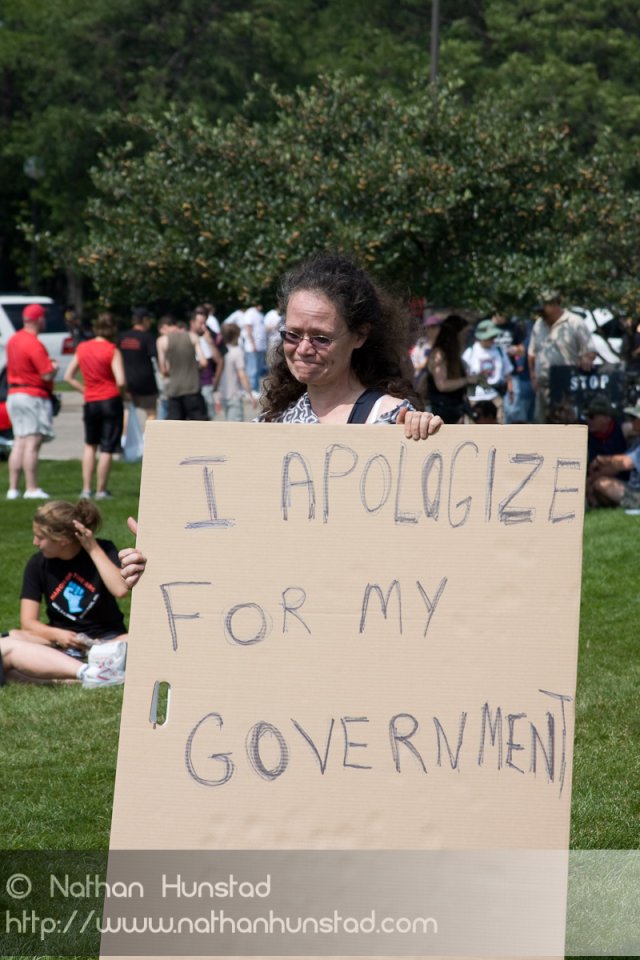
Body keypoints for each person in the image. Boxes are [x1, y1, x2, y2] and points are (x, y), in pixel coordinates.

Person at [259, 253, 442, 436]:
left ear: (360, 336)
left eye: (321, 338)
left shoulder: (391, 418)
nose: (304, 349)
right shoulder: (272, 422)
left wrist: (424, 432)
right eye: (293, 334)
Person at [1, 499, 131, 687]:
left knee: (135, 640)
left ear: (62, 540)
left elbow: (120, 589)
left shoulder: (103, 549)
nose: (35, 542)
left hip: (107, 639)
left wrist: (92, 548)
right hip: (60, 642)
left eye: (40, 537)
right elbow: (28, 622)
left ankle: (68, 673)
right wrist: (57, 635)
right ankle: (90, 673)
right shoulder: (37, 564)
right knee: (12, 637)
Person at [64, 312, 126, 499]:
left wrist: (85, 390)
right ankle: (101, 490)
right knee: (107, 447)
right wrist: (121, 395)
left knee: (90, 444)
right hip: (110, 400)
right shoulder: (112, 349)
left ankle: (86, 489)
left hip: (91, 401)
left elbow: (68, 376)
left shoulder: (82, 347)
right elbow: (121, 381)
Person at [6, 303, 58, 500]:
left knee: (19, 441)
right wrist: (53, 367)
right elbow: (46, 374)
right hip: (32, 395)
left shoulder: (13, 340)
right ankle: (31, 487)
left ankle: (13, 488)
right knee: (32, 443)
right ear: (38, 319)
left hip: (14, 394)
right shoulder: (33, 343)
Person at [528, 289, 597, 423]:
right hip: (543, 386)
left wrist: (587, 358)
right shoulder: (539, 324)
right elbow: (531, 353)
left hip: (565, 385)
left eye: (544, 309)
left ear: (554, 305)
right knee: (540, 425)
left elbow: (590, 350)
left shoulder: (574, 322)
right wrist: (533, 376)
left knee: (564, 424)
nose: (541, 313)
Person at [426, 314, 479, 423]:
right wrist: (467, 380)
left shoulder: (453, 356)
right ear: (455, 336)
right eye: (464, 334)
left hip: (454, 410)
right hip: (441, 412)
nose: (466, 338)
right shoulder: (439, 354)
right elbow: (442, 385)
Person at [587, 401, 640, 508]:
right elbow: (617, 467)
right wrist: (592, 479)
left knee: (602, 484)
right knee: (598, 483)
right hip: (630, 486)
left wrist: (600, 459)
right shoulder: (637, 442)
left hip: (635, 490)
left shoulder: (620, 430)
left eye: (634, 418)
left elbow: (625, 463)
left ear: (607, 418)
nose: (631, 421)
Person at [156, 317, 209, 420]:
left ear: (164, 328)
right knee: (200, 425)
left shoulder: (161, 341)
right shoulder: (192, 336)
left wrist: (171, 372)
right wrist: (195, 370)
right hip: (193, 389)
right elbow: (204, 362)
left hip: (174, 390)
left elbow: (163, 369)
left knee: (176, 428)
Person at [462, 318, 513, 422]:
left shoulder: (499, 350)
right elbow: (463, 376)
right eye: (490, 337)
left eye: (494, 336)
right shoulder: (470, 352)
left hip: (495, 396)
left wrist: (511, 391)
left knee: (497, 428)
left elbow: (507, 373)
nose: (492, 339)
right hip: (475, 398)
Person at [118, 306, 159, 423]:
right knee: (151, 412)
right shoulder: (148, 337)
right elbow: (155, 357)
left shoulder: (122, 337)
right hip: (146, 382)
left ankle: (124, 439)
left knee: (127, 411)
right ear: (145, 320)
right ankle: (147, 439)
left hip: (126, 381)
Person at [189, 306, 224, 420]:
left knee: (208, 418)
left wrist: (210, 342)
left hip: (206, 384)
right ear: (192, 323)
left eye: (205, 323)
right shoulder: (185, 338)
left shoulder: (209, 336)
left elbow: (219, 361)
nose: (204, 327)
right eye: (201, 323)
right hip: (190, 387)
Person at [218, 323, 256, 421]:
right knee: (235, 427)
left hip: (223, 393)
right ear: (236, 336)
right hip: (234, 395)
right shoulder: (237, 352)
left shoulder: (221, 351)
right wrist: (250, 394)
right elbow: (242, 374)